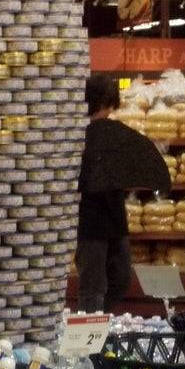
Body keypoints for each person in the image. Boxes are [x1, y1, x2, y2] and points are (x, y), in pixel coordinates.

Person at [77, 74, 132, 313]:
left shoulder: (112, 133)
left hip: (115, 219)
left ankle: (101, 325)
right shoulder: (78, 135)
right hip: (90, 222)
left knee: (120, 278)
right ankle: (90, 343)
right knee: (93, 286)